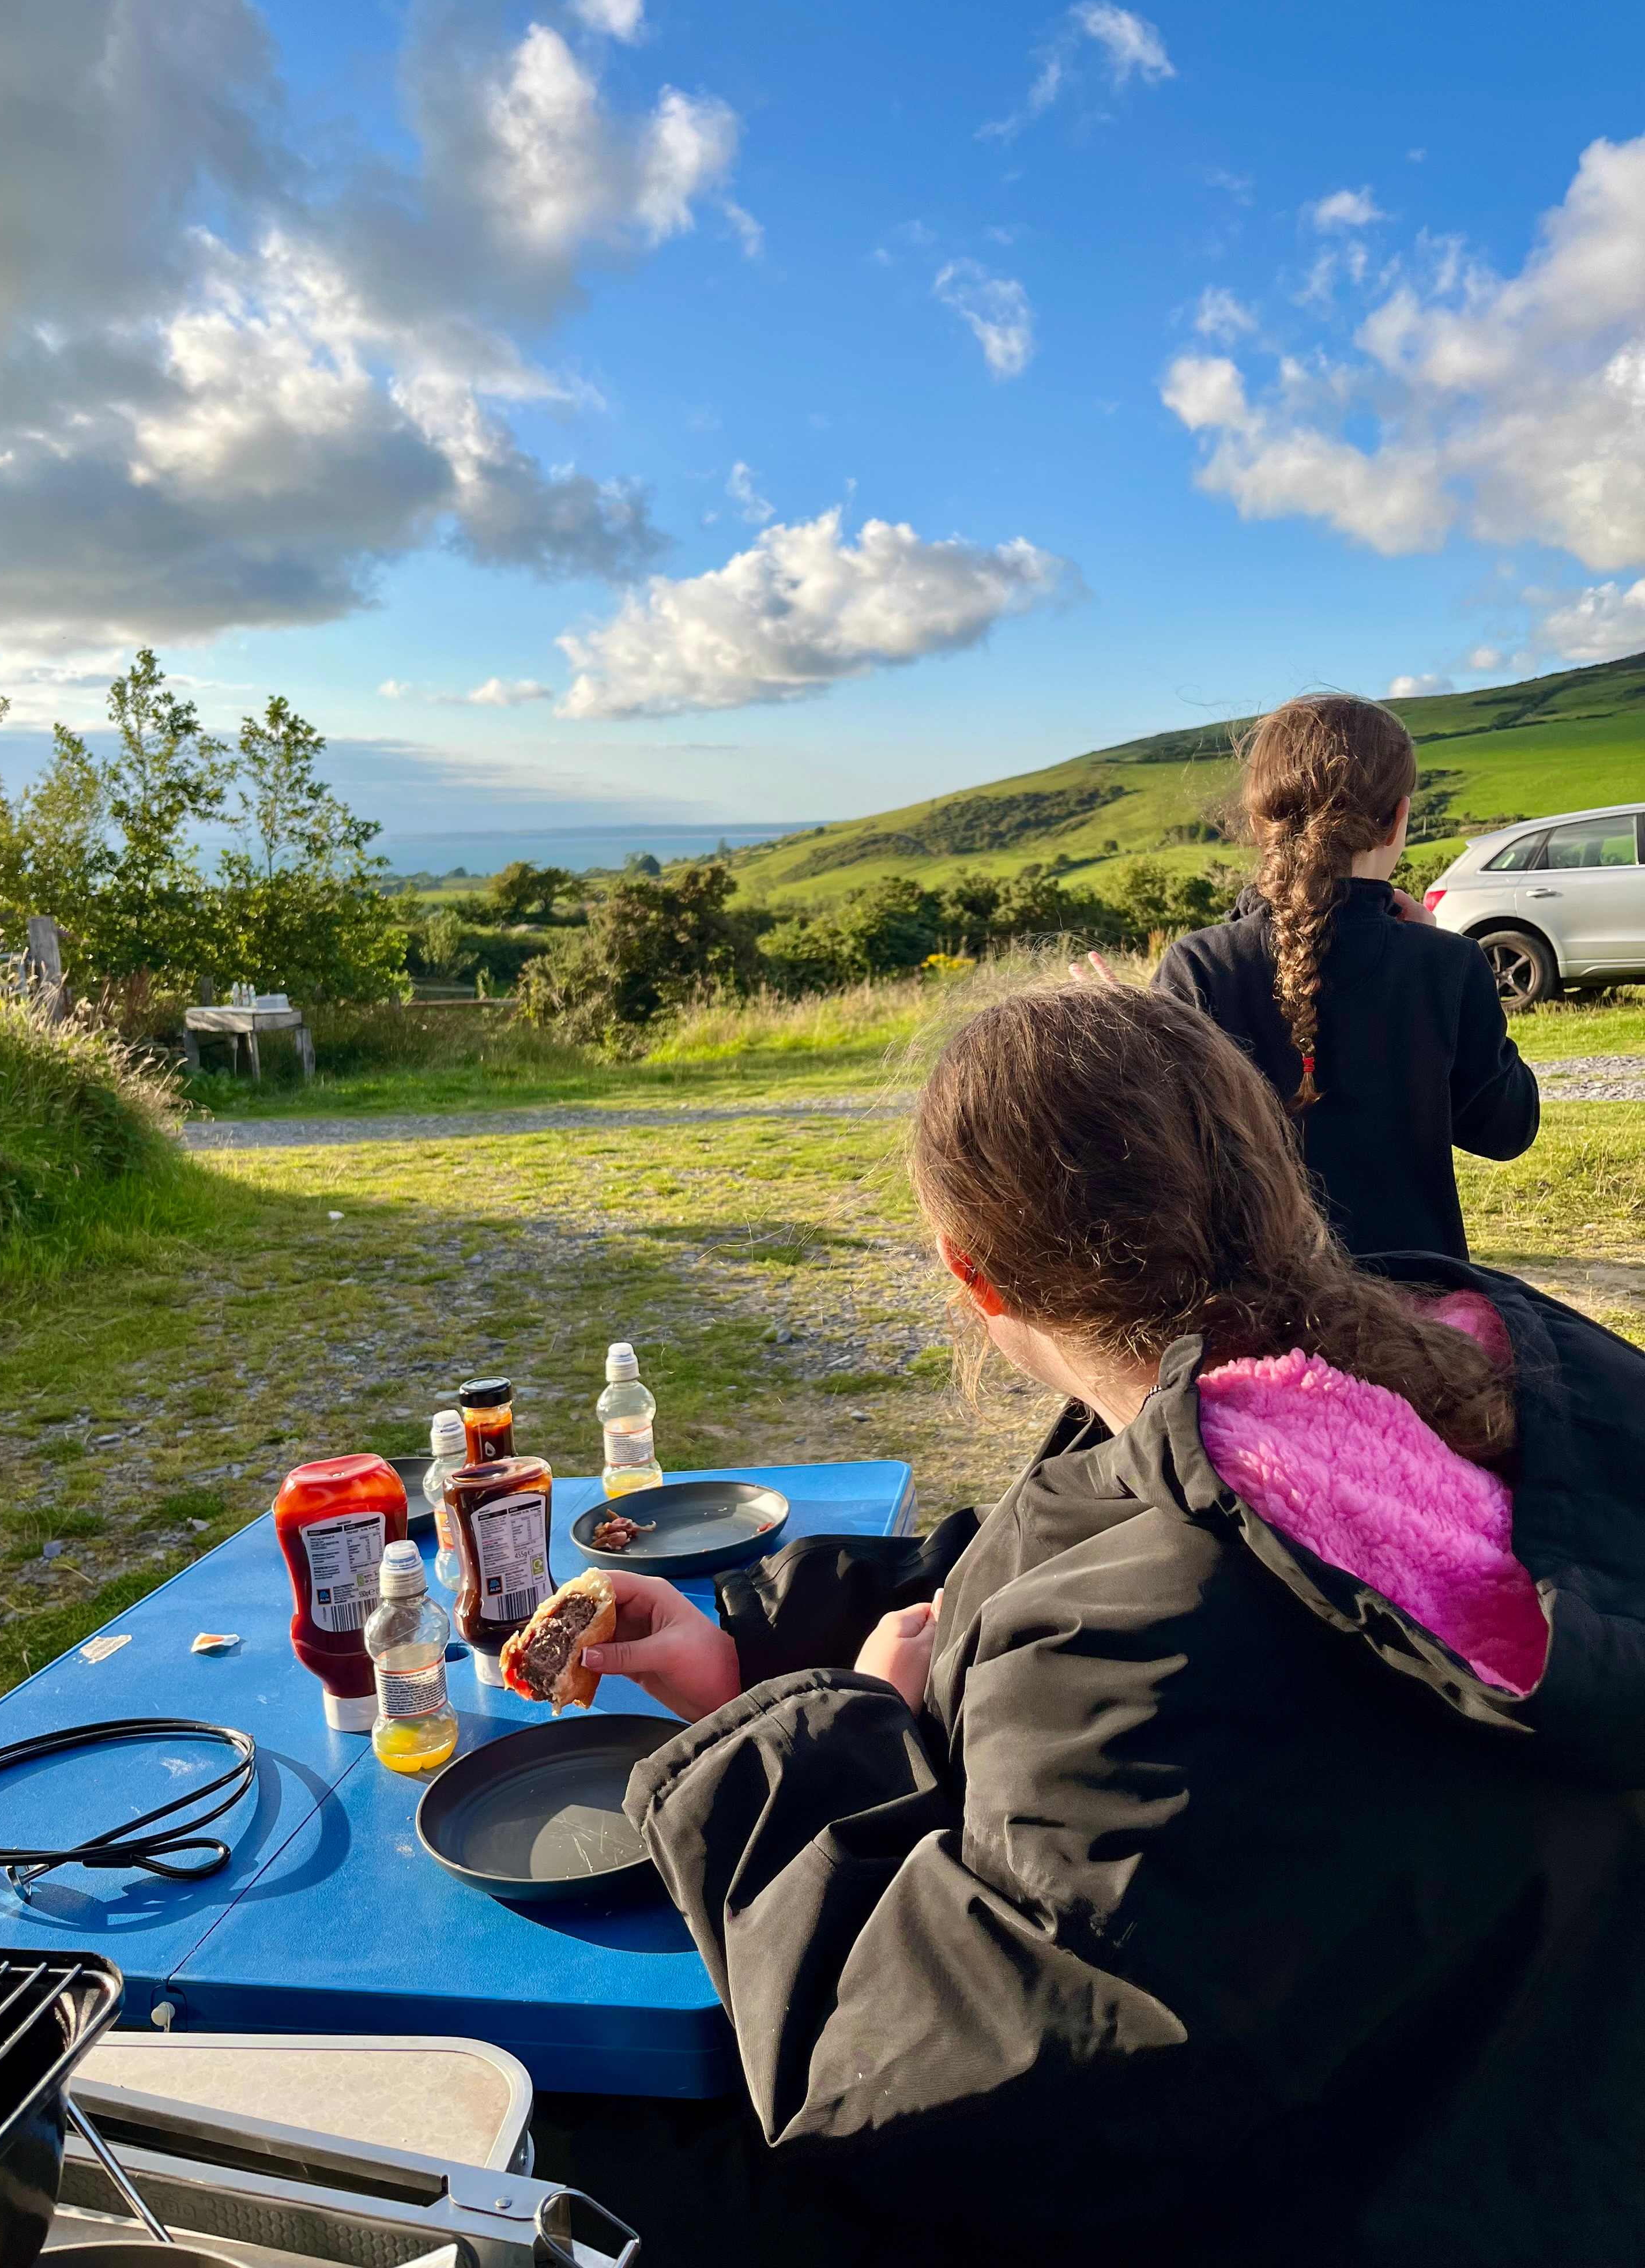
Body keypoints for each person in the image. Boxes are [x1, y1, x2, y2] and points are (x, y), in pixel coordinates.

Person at [572, 984, 1645, 2267]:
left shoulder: (1142, 1652)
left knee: (588, 2142)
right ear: (1262, 1181)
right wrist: (755, 1647)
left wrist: (831, 1737)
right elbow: (1075, 1535)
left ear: (973, 1275)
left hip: (1346, 2201)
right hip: (1547, 2132)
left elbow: (928, 2082)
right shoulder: (1465, 1369)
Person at [1152, 690, 1538, 1257]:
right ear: (1398, 821)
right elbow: (1507, 1131)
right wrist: (1434, 947)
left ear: (1260, 824)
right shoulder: (1448, 965)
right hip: (1416, 1318)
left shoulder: (1199, 966)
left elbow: (1161, 1158)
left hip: (1257, 1321)